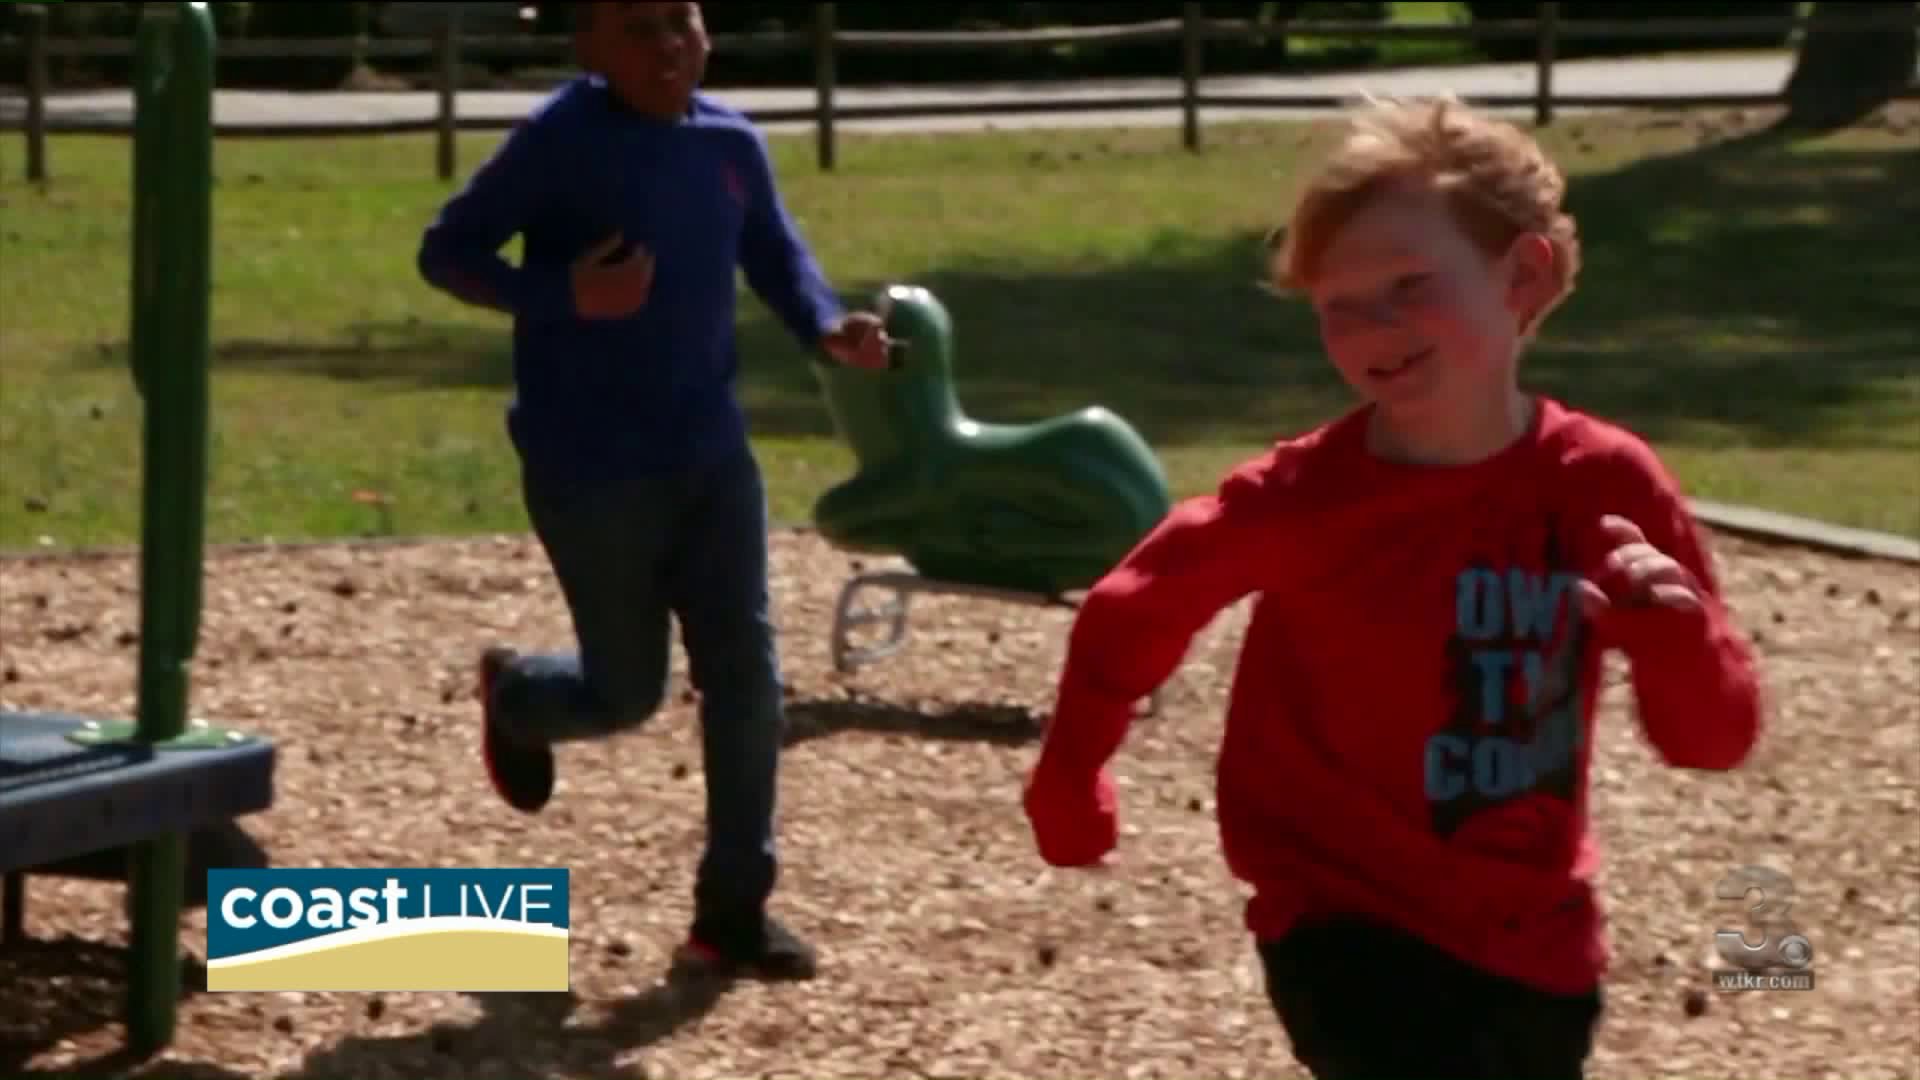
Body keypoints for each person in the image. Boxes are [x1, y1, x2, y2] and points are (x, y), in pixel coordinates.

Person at [1020, 95, 1765, 1079]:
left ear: (1522, 276)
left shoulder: (1603, 487)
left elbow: (1715, 741)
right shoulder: (1303, 499)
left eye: (1410, 285)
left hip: (1534, 932)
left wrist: (1677, 646)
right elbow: (1136, 605)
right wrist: (1069, 773)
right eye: (1340, 303)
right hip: (1341, 917)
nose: (1372, 326)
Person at [414, 0, 890, 982]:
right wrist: (562, 296)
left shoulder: (729, 142)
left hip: (712, 456)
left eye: (682, 19)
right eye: (638, 27)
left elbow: (774, 251)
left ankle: (733, 912)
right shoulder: (559, 141)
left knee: (746, 674)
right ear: (589, 45)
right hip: (588, 466)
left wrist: (825, 325)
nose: (669, 44)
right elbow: (448, 252)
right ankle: (520, 699)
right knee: (626, 692)